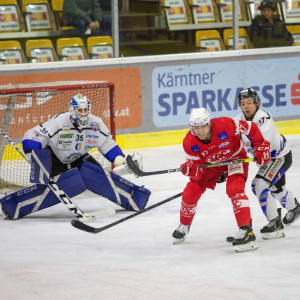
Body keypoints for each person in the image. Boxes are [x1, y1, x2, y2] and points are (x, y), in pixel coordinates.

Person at [0, 94, 149, 219]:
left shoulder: (96, 124)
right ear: (72, 110)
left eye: (86, 109)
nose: (83, 113)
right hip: (55, 160)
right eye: (80, 110)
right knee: (71, 185)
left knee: (97, 175)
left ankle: (136, 199)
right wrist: (32, 151)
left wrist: (120, 160)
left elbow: (107, 143)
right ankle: (12, 205)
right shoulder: (60, 122)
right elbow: (33, 134)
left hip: (77, 158)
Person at [172, 107, 271, 252]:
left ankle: (246, 231)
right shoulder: (189, 142)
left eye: (203, 126)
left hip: (235, 159)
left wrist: (261, 145)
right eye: (196, 128)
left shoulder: (226, 124)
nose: (200, 131)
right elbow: (197, 170)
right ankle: (184, 225)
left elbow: (251, 127)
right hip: (209, 166)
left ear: (209, 124)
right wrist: (191, 170)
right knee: (189, 193)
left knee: (234, 190)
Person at [234, 88, 300, 239]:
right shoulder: (237, 120)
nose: (246, 106)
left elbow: (260, 141)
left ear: (257, 103)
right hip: (267, 161)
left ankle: (274, 222)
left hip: (280, 157)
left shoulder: (264, 117)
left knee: (260, 185)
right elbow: (233, 146)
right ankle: (295, 208)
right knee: (277, 188)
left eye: (249, 102)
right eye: (243, 103)